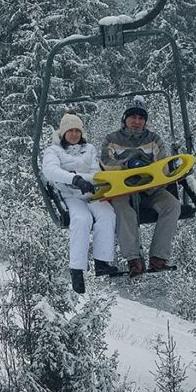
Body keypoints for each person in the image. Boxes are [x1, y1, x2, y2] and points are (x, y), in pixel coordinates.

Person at [100, 96, 180, 277]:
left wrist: (149, 173)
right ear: (125, 119)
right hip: (124, 189)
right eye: (133, 117)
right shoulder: (112, 139)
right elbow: (106, 162)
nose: (136, 122)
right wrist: (127, 165)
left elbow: (162, 164)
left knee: (172, 205)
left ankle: (159, 257)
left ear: (145, 121)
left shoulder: (153, 140)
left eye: (141, 118)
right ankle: (134, 259)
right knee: (122, 208)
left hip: (150, 188)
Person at [42, 112, 119, 294]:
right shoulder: (53, 151)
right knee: (81, 219)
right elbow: (51, 171)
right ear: (63, 133)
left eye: (77, 130)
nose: (74, 134)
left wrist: (86, 180)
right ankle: (77, 270)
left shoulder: (89, 149)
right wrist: (74, 179)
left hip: (91, 192)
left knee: (107, 214)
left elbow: (94, 172)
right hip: (70, 194)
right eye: (70, 131)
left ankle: (102, 262)